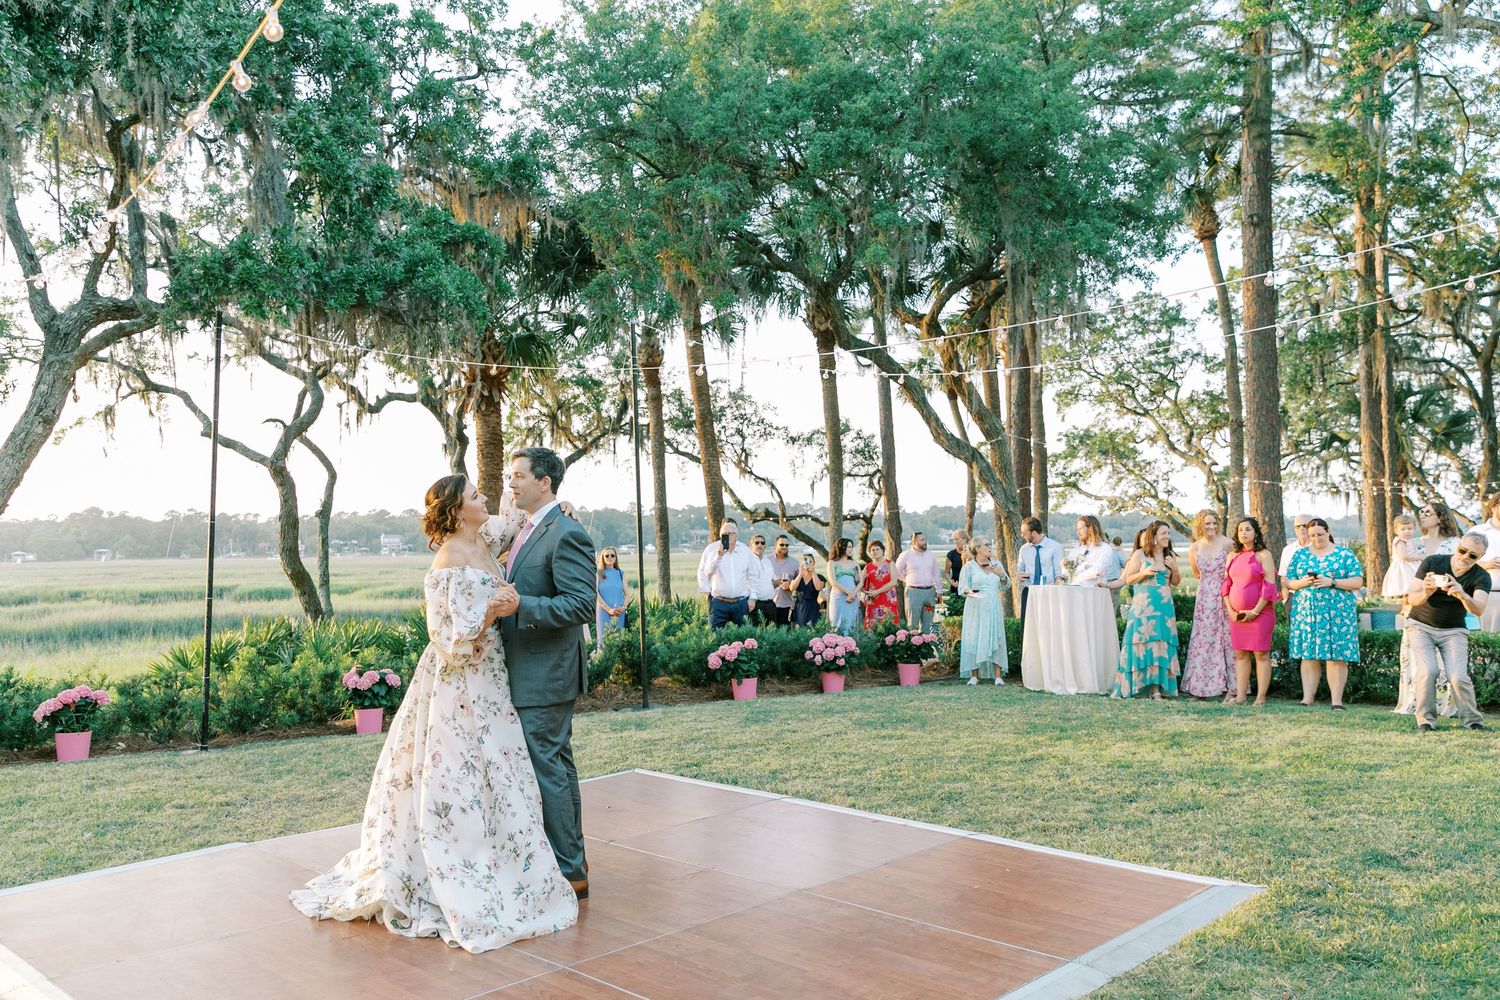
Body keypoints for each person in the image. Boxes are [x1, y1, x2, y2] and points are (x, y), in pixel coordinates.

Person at [290, 473, 579, 951]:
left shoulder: (485, 536)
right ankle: (453, 869)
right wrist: (494, 611)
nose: (485, 498)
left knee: (501, 777)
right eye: (475, 496)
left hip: (493, 683)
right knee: (457, 777)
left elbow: (526, 521)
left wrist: (562, 504)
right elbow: (446, 639)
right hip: (459, 686)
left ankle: (511, 859)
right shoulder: (446, 562)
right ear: (455, 510)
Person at [493, 448, 597, 900]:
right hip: (533, 668)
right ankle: (573, 861)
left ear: (546, 483)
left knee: (547, 767)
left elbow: (580, 605)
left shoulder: (565, 533)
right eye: (509, 477)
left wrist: (522, 607)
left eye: (518, 477)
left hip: (547, 671)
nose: (510, 485)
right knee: (558, 765)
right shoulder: (527, 530)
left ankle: (570, 869)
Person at [1405, 532, 1492, 732]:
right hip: (1420, 625)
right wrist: (1426, 592)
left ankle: (1473, 722)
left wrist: (1462, 594)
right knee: (1428, 671)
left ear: (1481, 557)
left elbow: (1478, 608)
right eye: (1463, 551)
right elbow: (1411, 598)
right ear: (1458, 546)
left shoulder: (1481, 576)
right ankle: (1425, 722)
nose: (1465, 557)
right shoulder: (1433, 562)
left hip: (1454, 630)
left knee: (1458, 676)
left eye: (1473, 556)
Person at [1285, 517, 1363, 710]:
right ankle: (1307, 698)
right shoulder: (1300, 555)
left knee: (1335, 656)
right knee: (1308, 655)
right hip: (1307, 612)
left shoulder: (1344, 554)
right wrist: (1302, 582)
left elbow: (1357, 581)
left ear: (1328, 532)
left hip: (1338, 614)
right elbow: (1288, 582)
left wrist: (1333, 582)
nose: (1316, 538)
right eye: (1312, 536)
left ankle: (1337, 701)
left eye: (1320, 534)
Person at [1396, 501, 1463, 715]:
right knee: (1417, 659)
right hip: (1416, 606)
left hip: (1446, 609)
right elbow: (1401, 571)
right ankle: (1415, 702)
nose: (1422, 515)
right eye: (1421, 512)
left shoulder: (1455, 544)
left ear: (1440, 517)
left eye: (1428, 512)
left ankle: (1445, 705)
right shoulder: (1413, 544)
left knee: (1445, 663)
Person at [1112, 521, 1181, 699]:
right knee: (1140, 643)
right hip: (1143, 606)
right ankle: (1136, 685)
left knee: (1160, 645)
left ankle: (1156, 689)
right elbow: (1128, 579)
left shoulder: (1169, 555)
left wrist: (1173, 568)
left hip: (1164, 607)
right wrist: (1143, 574)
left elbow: (1176, 582)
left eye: (1168, 533)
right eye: (1163, 533)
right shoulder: (1140, 554)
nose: (1167, 536)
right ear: (1154, 536)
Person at [1220, 517, 1279, 705]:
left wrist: (1255, 611)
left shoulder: (1264, 555)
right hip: (1236, 615)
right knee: (1240, 654)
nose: (1243, 533)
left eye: (1247, 529)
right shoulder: (1232, 556)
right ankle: (1241, 696)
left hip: (1260, 613)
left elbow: (1269, 586)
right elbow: (1226, 586)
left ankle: (1261, 697)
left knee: (1261, 654)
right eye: (1240, 530)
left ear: (1255, 533)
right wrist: (1230, 610)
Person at [1181, 510, 1237, 700]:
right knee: (1203, 640)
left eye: (1214, 523)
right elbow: (1197, 573)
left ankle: (1232, 688)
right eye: (1207, 524)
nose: (1211, 527)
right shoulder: (1194, 547)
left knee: (1226, 639)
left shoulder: (1228, 544)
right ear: (1200, 525)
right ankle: (1200, 687)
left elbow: (1235, 570)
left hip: (1224, 595)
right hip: (1204, 597)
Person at [957, 536, 1010, 685]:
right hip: (976, 605)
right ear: (977, 549)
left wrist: (1002, 575)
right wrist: (970, 592)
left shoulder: (996, 564)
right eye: (986, 545)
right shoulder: (968, 567)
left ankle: (998, 676)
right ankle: (974, 675)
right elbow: (962, 587)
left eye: (989, 544)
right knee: (974, 636)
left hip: (993, 604)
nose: (989, 547)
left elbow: (1006, 585)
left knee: (996, 635)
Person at [697, 517, 757, 628]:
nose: (728, 536)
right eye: (725, 533)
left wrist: (752, 598)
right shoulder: (711, 550)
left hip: (741, 602)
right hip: (719, 603)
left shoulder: (745, 550)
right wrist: (718, 557)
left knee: (744, 637)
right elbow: (706, 572)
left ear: (736, 535)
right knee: (715, 638)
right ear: (721, 535)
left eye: (731, 533)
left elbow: (752, 575)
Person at [1015, 516, 1064, 643]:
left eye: (1024, 533)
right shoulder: (1024, 549)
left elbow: (1059, 574)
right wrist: (1020, 575)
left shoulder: (1055, 547)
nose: (1021, 535)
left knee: (1049, 627)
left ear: (1033, 533)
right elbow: (1019, 569)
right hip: (1029, 591)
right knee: (1027, 628)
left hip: (1049, 592)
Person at [894, 531, 941, 633]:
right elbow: (896, 571)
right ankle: (914, 647)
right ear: (914, 542)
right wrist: (908, 579)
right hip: (913, 593)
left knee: (927, 622)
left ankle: (926, 646)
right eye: (922, 540)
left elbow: (936, 573)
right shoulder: (906, 555)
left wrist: (939, 590)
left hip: (929, 594)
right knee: (913, 624)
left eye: (925, 540)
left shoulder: (931, 555)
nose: (925, 542)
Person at [1067, 515, 1119, 592]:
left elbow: (1098, 570)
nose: (1078, 532)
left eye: (1081, 529)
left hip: (1093, 592)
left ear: (1090, 528)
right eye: (1077, 529)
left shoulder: (1105, 548)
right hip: (1074, 591)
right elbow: (1067, 571)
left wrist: (1078, 572)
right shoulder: (1076, 550)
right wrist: (1066, 565)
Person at [1473, 492, 1500, 632]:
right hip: (1489, 595)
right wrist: (1487, 564)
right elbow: (1462, 562)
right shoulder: (1478, 532)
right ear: (1494, 507)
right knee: (1491, 641)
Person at [1381, 514, 1423, 600]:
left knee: (1417, 586)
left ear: (1414, 529)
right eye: (1403, 529)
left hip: (1412, 566)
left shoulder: (1411, 541)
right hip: (1404, 568)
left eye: (1409, 529)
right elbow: (1404, 556)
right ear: (1396, 531)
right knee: (1407, 586)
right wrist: (1420, 557)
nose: (1406, 531)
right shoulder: (1400, 541)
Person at [594, 547, 629, 650]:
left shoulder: (620, 573)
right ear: (603, 558)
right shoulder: (598, 573)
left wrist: (624, 607)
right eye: (607, 555)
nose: (610, 557)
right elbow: (595, 593)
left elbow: (627, 594)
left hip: (619, 613)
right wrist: (608, 609)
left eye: (612, 555)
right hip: (604, 613)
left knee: (619, 643)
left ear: (615, 558)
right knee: (603, 642)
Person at [861, 539, 900, 627]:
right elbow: (860, 584)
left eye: (877, 549)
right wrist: (867, 592)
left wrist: (877, 591)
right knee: (873, 628)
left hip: (888, 599)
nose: (875, 551)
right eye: (873, 550)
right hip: (873, 601)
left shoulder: (890, 564)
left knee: (890, 627)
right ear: (870, 553)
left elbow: (893, 582)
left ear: (883, 551)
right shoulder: (868, 567)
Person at [828, 537, 862, 634]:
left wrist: (853, 593)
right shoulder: (832, 563)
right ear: (841, 547)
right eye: (849, 547)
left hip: (852, 598)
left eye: (852, 547)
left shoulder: (854, 564)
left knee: (851, 624)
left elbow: (861, 582)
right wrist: (848, 592)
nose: (851, 549)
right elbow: (833, 582)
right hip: (839, 597)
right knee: (836, 623)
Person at [766, 535, 799, 627]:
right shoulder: (766, 561)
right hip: (769, 604)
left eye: (786, 545)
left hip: (787, 605)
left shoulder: (795, 563)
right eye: (782, 544)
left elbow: (799, 585)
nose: (785, 547)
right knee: (768, 634)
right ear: (775, 545)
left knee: (785, 635)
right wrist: (773, 584)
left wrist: (790, 585)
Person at [748, 534, 777, 626]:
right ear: (751, 545)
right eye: (757, 542)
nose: (760, 545)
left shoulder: (768, 562)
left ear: (765, 546)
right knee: (756, 636)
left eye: (762, 543)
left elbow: (771, 581)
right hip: (755, 604)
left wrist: (777, 583)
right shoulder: (747, 561)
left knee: (773, 634)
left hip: (770, 604)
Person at [791, 552, 825, 626]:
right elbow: (792, 588)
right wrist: (800, 574)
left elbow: (818, 587)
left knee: (812, 629)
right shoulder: (798, 576)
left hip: (813, 607)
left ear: (814, 563)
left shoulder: (819, 577)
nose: (808, 563)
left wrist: (813, 572)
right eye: (806, 561)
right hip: (799, 607)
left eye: (810, 561)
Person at [944, 529, 969, 595]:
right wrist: (951, 582)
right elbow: (946, 572)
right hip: (956, 587)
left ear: (965, 539)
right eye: (954, 540)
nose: (955, 542)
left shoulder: (973, 554)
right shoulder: (951, 554)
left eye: (957, 539)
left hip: (970, 587)